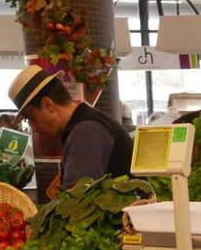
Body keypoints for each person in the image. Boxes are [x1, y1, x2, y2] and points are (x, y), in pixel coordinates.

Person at [8, 65, 133, 193]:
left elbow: (74, 201)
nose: (34, 128)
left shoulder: (86, 132)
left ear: (48, 104)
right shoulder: (85, 125)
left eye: (31, 118)